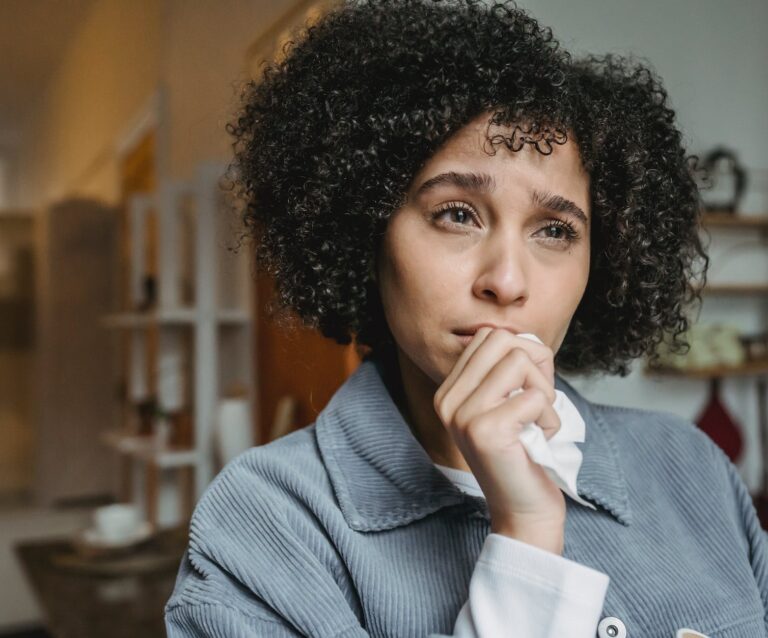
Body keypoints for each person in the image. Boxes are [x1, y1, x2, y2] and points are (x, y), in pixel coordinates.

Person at [165, 1, 768, 636]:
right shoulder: (262, 527)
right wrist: (526, 537)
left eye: (556, 230)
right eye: (457, 213)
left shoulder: (690, 468)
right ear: (365, 229)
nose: (506, 282)